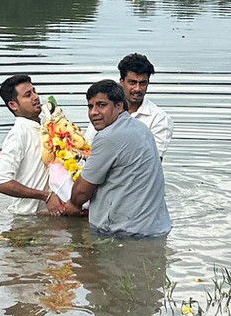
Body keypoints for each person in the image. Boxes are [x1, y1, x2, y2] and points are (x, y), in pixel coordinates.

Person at [65, 79, 171, 238]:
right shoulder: (140, 128)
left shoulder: (108, 136)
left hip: (126, 234)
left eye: (101, 105)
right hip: (155, 228)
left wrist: (72, 205)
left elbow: (82, 191)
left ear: (119, 106)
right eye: (90, 106)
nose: (94, 112)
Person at [0, 74, 65, 216]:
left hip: (55, 213)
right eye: (27, 95)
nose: (35, 97)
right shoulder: (18, 134)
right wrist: (46, 196)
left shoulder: (48, 122)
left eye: (34, 91)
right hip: (29, 217)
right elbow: (1, 182)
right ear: (13, 105)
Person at [85, 53, 174, 159]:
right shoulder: (104, 111)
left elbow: (153, 161)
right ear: (122, 82)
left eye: (143, 83)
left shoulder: (159, 118)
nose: (137, 89)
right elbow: (87, 147)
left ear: (148, 83)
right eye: (132, 82)